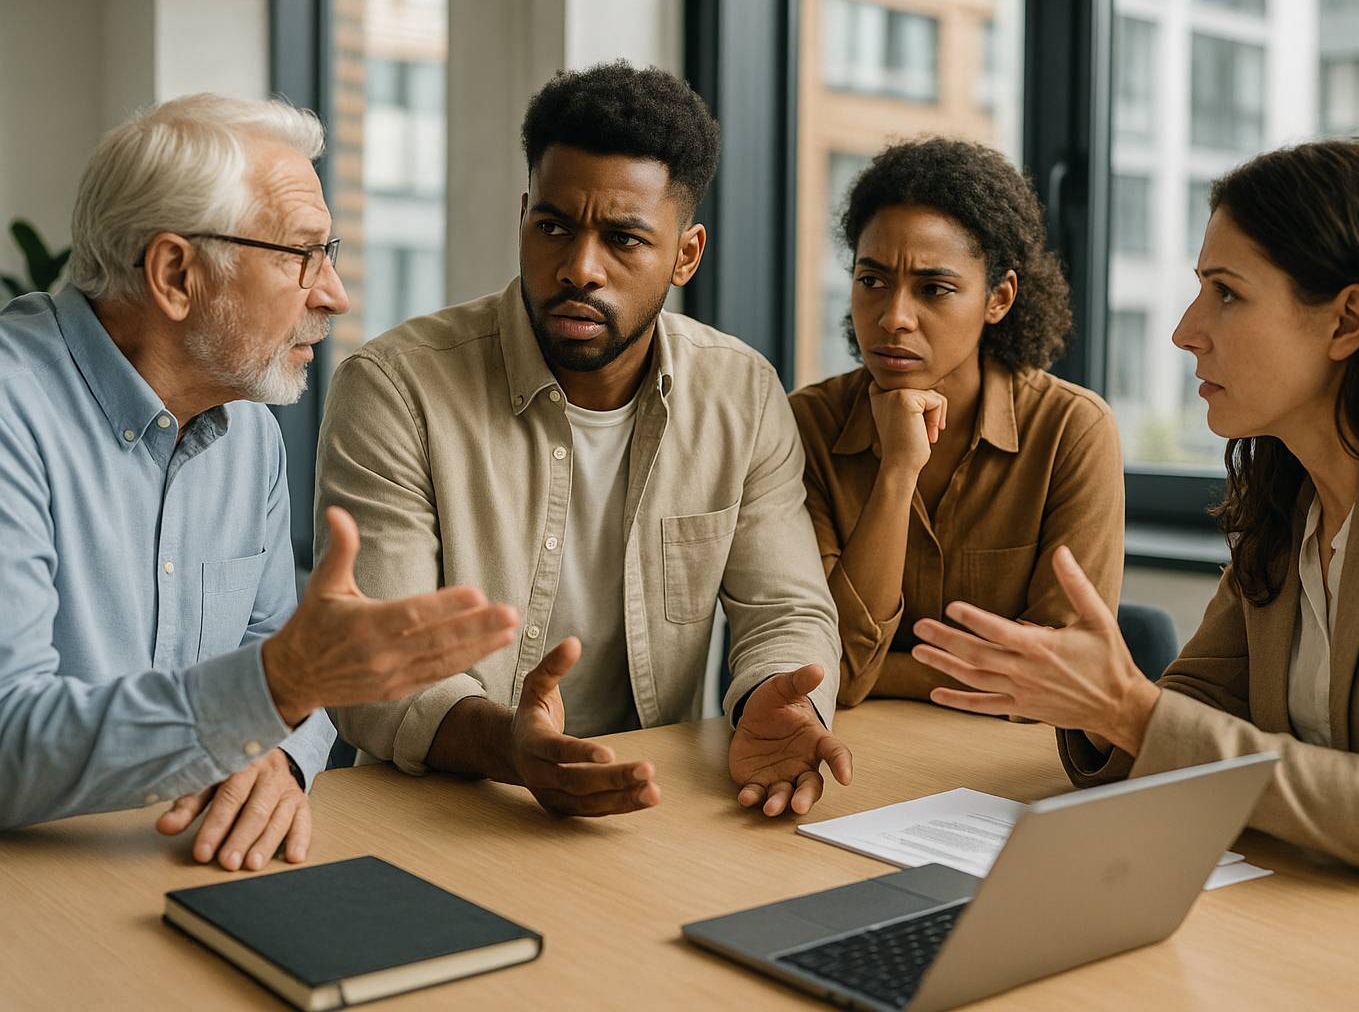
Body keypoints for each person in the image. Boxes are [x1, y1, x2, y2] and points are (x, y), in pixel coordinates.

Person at [909, 138, 1359, 887]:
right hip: (1306, 905)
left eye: (1226, 292)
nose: (1184, 329)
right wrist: (1089, 697)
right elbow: (1201, 701)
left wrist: (1130, 710)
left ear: (1345, 322)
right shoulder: (1293, 486)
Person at [0, 94, 521, 871]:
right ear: (176, 273)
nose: (335, 293)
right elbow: (9, 744)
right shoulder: (13, 410)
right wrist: (276, 690)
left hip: (183, 869)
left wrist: (277, 759)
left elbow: (285, 665)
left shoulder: (248, 431)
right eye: (300, 254)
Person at [317, 62, 852, 819]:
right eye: (554, 227)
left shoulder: (741, 393)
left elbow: (787, 609)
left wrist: (778, 700)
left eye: (624, 239)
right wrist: (511, 746)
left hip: (648, 802)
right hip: (436, 807)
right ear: (524, 215)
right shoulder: (396, 387)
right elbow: (372, 664)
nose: (578, 268)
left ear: (686, 254)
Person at [790, 138, 1123, 708]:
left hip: (1006, 770)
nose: (893, 317)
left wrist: (879, 674)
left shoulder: (1071, 430)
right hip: (855, 758)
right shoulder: (808, 426)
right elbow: (830, 667)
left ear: (998, 297)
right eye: (871, 281)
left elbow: (1061, 677)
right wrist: (897, 471)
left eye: (934, 289)